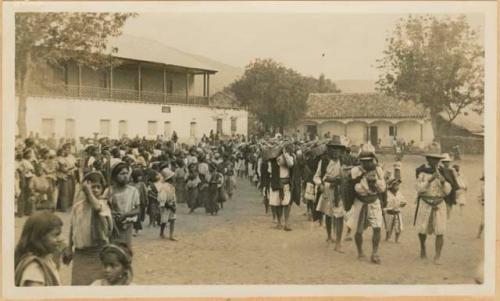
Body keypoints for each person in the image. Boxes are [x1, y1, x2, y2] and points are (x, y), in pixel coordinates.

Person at [66, 171, 113, 285]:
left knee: (97, 286)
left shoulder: (103, 204)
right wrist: (69, 247)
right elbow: (73, 227)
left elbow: (97, 208)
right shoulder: (78, 207)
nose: (95, 190)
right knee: (79, 285)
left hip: (97, 253)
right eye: (92, 187)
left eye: (98, 187)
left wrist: (88, 191)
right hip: (81, 254)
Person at [345, 145, 386, 264]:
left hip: (374, 201)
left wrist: (374, 183)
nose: (366, 163)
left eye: (369, 161)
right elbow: (355, 188)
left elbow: (382, 188)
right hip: (360, 201)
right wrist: (365, 182)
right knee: (358, 230)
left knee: (377, 228)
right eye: (364, 161)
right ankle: (360, 251)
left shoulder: (378, 170)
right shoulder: (355, 170)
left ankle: (375, 253)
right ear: (360, 161)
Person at [415, 153, 452, 265]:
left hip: (439, 204)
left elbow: (448, 191)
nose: (436, 161)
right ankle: (423, 248)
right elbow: (418, 189)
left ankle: (437, 256)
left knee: (440, 231)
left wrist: (443, 182)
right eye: (433, 159)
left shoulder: (443, 172)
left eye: (438, 159)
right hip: (425, 203)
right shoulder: (422, 172)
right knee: (422, 229)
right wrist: (429, 180)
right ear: (428, 159)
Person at [314, 137, 347, 252]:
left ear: (341, 150)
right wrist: (320, 185)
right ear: (329, 150)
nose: (335, 151)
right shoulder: (323, 161)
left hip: (339, 192)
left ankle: (338, 243)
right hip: (327, 191)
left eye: (337, 149)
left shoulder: (344, 161)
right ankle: (329, 235)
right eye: (333, 148)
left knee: (339, 216)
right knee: (328, 214)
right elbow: (317, 176)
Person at [15, 211, 64, 286]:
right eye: (55, 235)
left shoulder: (46, 258)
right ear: (39, 237)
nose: (61, 239)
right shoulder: (34, 270)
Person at [105, 161, 141, 246]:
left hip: (127, 226)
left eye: (127, 173)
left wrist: (125, 215)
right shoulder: (109, 191)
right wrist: (112, 213)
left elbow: (137, 209)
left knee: (126, 250)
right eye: (122, 174)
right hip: (113, 225)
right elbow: (104, 207)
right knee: (113, 250)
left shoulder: (133, 191)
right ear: (115, 176)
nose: (125, 176)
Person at [268, 146, 294, 231]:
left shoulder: (288, 157)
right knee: (277, 204)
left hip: (285, 182)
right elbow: (270, 171)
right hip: (276, 182)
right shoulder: (272, 160)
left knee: (286, 203)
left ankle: (286, 222)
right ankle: (279, 222)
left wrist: (284, 154)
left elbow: (290, 164)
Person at [384, 177, 406, 243]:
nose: (397, 187)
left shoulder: (399, 193)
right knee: (388, 227)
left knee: (398, 227)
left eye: (398, 185)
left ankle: (397, 239)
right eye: (395, 185)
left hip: (397, 212)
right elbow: (384, 204)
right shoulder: (387, 194)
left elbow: (403, 201)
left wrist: (403, 203)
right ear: (391, 185)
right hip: (389, 213)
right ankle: (387, 237)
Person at [158, 168, 178, 241]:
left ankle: (171, 235)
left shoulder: (171, 186)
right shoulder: (164, 187)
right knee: (164, 220)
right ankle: (162, 232)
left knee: (173, 219)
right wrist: (166, 204)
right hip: (166, 205)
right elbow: (162, 197)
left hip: (171, 204)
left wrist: (173, 204)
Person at [130, 169, 148, 236]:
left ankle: (137, 230)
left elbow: (145, 193)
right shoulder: (130, 185)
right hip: (133, 203)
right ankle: (135, 229)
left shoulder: (142, 184)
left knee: (139, 217)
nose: (140, 177)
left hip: (140, 202)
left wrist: (146, 201)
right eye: (139, 176)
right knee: (134, 216)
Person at [477, 175, 484, 239]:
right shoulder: (482, 187)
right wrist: (482, 202)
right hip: (484, 205)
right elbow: (479, 197)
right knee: (483, 222)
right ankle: (479, 234)